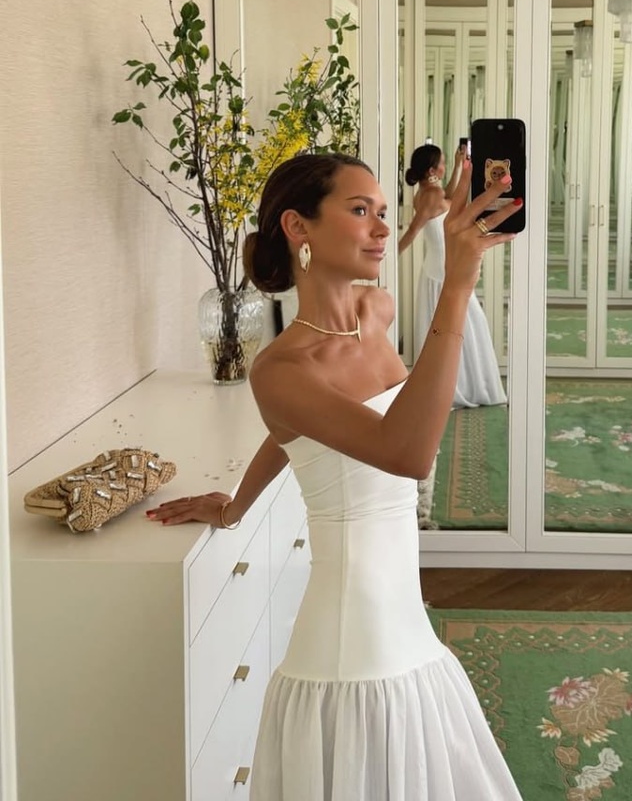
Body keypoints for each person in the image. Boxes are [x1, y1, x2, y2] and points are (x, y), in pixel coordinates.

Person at [146, 151, 523, 800]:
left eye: (382, 211)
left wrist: (235, 505)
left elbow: (302, 431)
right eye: (359, 210)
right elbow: (406, 453)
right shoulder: (280, 369)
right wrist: (458, 286)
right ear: (299, 227)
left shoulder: (377, 312)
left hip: (403, 612)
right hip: (351, 639)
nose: (383, 227)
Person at [399, 143, 507, 408]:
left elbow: (448, 196)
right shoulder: (432, 195)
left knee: (460, 325)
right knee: (465, 324)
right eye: (444, 163)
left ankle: (462, 383)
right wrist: (390, 255)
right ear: (433, 170)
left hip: (437, 269)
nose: (445, 167)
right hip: (443, 272)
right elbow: (413, 230)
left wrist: (459, 166)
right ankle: (465, 386)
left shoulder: (426, 192)